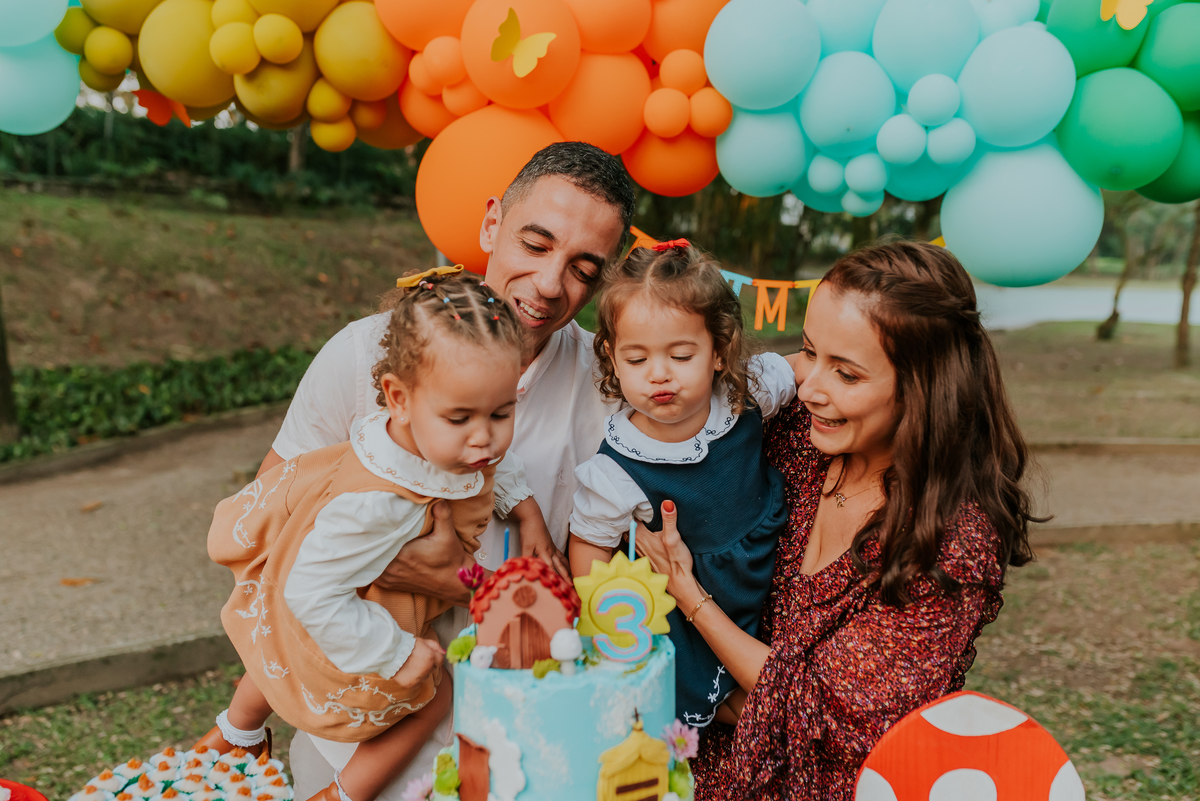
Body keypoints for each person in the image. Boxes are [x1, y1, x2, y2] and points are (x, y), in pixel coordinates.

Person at [266, 142, 636, 796]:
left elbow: (607, 588)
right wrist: (387, 562)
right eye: (536, 242)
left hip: (523, 746)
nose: (551, 285)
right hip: (355, 737)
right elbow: (269, 524)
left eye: (583, 267)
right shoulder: (360, 356)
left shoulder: (610, 392)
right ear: (492, 223)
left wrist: (466, 581)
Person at [634, 241, 1038, 800]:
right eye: (809, 351)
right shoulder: (796, 435)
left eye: (846, 374)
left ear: (925, 388)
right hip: (694, 770)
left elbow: (838, 721)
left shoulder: (948, 542)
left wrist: (689, 597)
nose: (809, 386)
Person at [198, 271, 554, 801]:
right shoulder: (377, 503)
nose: (485, 437)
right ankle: (342, 792)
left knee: (277, 650)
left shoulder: (435, 438)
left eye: (502, 413)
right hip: (348, 620)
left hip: (329, 602)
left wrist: (527, 513)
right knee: (433, 692)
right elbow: (308, 594)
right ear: (398, 398)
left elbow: (495, 469)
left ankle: (238, 732)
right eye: (461, 417)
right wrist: (395, 653)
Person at [567, 240, 795, 728]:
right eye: (637, 360)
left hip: (760, 581)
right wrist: (602, 626)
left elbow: (808, 368)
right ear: (610, 357)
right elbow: (590, 548)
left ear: (719, 350)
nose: (659, 375)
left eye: (681, 354)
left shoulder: (746, 393)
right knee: (720, 707)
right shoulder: (616, 469)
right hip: (681, 614)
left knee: (769, 685)